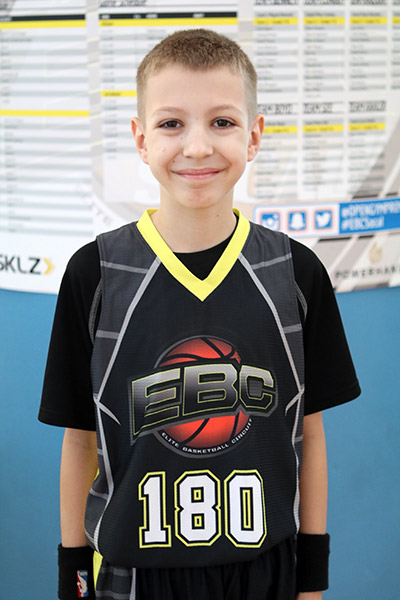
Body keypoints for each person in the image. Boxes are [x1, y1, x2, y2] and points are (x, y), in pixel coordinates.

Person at [39, 29, 361, 600]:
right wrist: (75, 577)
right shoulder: (96, 274)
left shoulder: (296, 273)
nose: (196, 147)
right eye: (171, 123)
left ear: (253, 136)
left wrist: (312, 578)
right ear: (141, 139)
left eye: (222, 122)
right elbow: (79, 440)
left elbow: (310, 435)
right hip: (132, 577)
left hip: (265, 570)